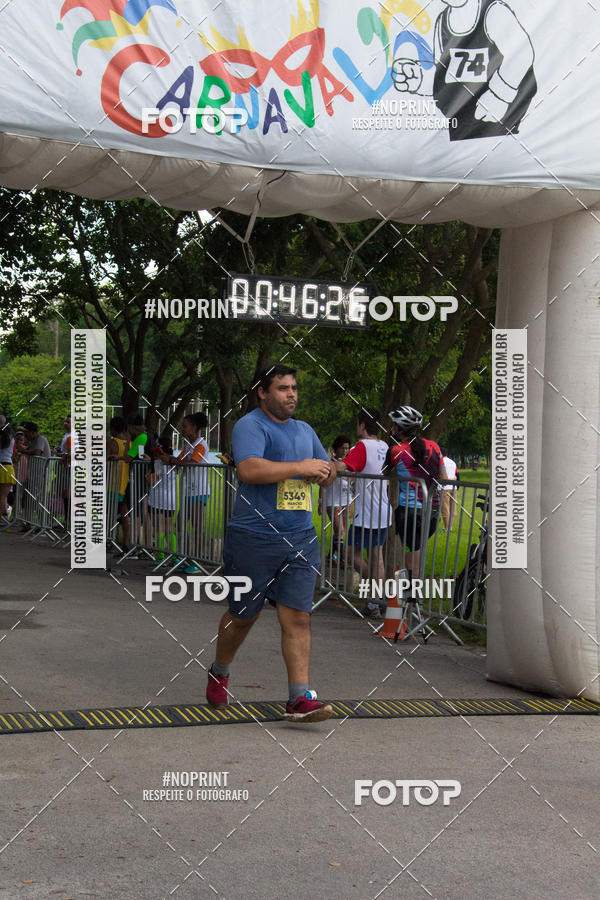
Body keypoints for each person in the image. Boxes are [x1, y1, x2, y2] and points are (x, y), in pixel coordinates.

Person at [206, 364, 336, 723]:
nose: (291, 394)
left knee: (298, 617)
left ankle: (299, 698)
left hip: (300, 538)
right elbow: (249, 470)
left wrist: (328, 471)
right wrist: (300, 467)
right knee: (244, 616)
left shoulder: (305, 429)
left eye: (294, 387)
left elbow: (324, 470)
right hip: (253, 538)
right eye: (282, 388)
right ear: (262, 392)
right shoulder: (251, 425)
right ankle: (220, 669)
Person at [335, 409, 393, 619]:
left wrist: (325, 466)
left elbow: (343, 466)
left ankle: (378, 595)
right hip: (382, 510)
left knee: (350, 554)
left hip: (367, 512)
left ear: (362, 425)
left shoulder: (362, 447)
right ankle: (375, 600)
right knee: (376, 555)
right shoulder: (384, 446)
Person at [388, 407, 447, 581]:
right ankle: (412, 594)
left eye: (393, 426)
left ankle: (411, 596)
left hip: (410, 511)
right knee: (416, 549)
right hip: (433, 511)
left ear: (399, 429)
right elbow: (444, 478)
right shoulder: (434, 446)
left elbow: (386, 472)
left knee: (410, 551)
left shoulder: (396, 451)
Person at [161, 412, 210, 574]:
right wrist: (166, 457)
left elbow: (190, 463)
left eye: (185, 426)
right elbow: (179, 460)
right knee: (181, 523)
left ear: (195, 427)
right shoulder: (189, 445)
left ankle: (195, 560)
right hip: (188, 492)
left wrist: (172, 460)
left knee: (196, 526)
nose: (182, 429)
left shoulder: (201, 445)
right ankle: (186, 557)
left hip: (199, 491)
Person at [318, 434, 352, 560]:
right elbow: (322, 484)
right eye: (342, 448)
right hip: (332, 501)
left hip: (346, 500)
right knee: (340, 530)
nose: (345, 451)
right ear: (336, 449)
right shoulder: (330, 464)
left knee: (340, 532)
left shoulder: (348, 464)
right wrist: (321, 502)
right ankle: (343, 558)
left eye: (347, 448)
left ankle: (331, 556)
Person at [106, 416, 131, 551]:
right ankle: (126, 543)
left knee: (108, 512)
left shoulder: (111, 442)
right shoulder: (129, 443)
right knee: (124, 513)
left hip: (112, 482)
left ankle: (108, 539)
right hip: (124, 482)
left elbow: (104, 458)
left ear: (113, 429)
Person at [439, 446, 458, 531]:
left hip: (444, 487)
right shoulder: (453, 462)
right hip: (453, 487)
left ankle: (447, 527)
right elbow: (456, 475)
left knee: (445, 507)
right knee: (452, 507)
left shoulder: (440, 462)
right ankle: (450, 526)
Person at [0, 417, 15, 521]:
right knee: (3, 496)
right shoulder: (11, 438)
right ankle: (2, 516)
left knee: (1, 496)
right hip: (8, 467)